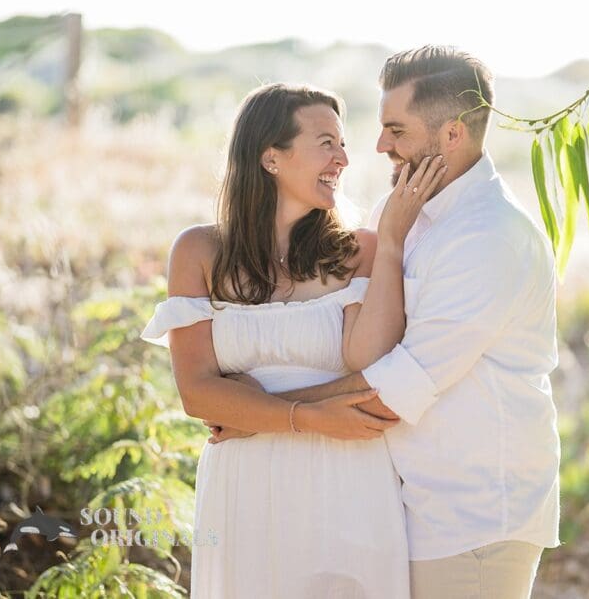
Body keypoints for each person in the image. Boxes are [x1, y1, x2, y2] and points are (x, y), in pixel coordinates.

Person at [212, 46, 562, 598]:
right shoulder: (399, 214)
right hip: (405, 504)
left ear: (452, 135)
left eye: (395, 130)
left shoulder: (489, 238)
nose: (378, 146)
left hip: (472, 515)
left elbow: (398, 386)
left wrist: (264, 414)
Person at [140, 83, 445, 598]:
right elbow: (198, 395)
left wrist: (392, 239)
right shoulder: (197, 252)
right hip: (246, 484)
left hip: (348, 474)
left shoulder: (360, 252)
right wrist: (307, 418)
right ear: (271, 158)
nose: (345, 158)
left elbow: (372, 371)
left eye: (343, 143)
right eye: (327, 142)